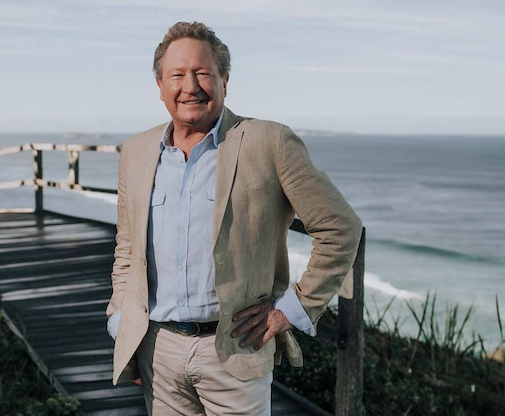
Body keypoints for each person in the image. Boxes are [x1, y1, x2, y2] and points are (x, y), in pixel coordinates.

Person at [107, 21, 362, 415]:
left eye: (203, 73)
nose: (189, 86)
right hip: (156, 349)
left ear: (225, 80)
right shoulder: (136, 151)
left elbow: (340, 228)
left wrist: (291, 310)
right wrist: (122, 325)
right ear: (160, 86)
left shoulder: (269, 142)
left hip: (235, 351)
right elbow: (127, 247)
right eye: (176, 75)